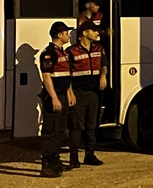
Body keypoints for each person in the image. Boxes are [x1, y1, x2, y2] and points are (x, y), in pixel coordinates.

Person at [66, 18, 107, 167]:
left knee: (92, 125)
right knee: (76, 126)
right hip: (79, 92)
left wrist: (103, 75)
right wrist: (70, 93)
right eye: (94, 31)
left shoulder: (98, 48)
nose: (97, 33)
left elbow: (104, 65)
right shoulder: (71, 51)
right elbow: (66, 75)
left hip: (94, 92)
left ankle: (90, 154)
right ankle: (73, 156)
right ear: (85, 32)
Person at [37, 21, 75, 178]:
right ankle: (46, 164)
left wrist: (70, 93)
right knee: (50, 130)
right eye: (67, 33)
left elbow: (66, 76)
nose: (69, 35)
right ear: (59, 35)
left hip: (62, 95)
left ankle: (55, 160)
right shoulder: (49, 53)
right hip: (53, 96)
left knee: (59, 130)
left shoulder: (64, 53)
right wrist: (54, 98)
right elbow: (46, 77)